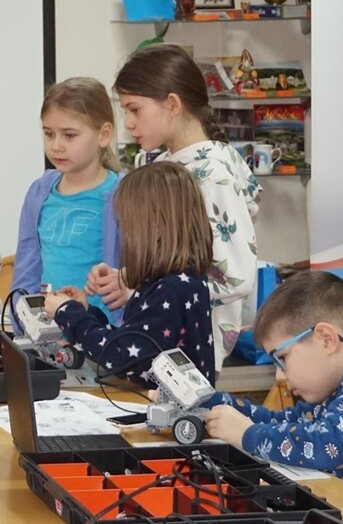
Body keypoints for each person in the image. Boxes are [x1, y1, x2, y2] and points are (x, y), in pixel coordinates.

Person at [89, 43, 260, 366]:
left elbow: (237, 277)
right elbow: (175, 264)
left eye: (135, 109)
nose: (128, 123)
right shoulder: (169, 165)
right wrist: (126, 278)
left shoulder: (212, 175)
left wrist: (141, 291)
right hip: (167, 342)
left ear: (172, 104)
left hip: (192, 351)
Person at [202, 271, 343, 501]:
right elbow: (281, 422)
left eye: (282, 358)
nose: (280, 376)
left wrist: (247, 434)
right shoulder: (339, 387)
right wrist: (211, 401)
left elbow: (326, 444)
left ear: (326, 339)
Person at [44, 161, 216, 385]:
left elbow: (122, 358)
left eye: (127, 225)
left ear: (152, 227)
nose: (125, 235)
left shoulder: (169, 289)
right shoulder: (181, 279)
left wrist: (68, 313)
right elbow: (131, 340)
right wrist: (87, 312)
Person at [13, 78, 122, 317]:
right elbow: (26, 268)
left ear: (104, 135)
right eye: (49, 134)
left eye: (69, 135)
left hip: (101, 330)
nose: (56, 146)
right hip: (48, 329)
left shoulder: (123, 195)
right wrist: (22, 319)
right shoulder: (39, 192)